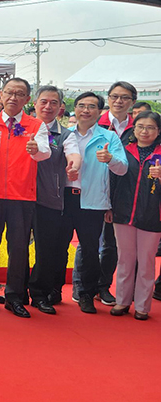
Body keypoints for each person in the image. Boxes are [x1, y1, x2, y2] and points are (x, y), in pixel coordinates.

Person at [0, 77, 50, 318]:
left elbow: (44, 152)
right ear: (1, 94)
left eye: (19, 93)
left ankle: (14, 296)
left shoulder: (36, 125)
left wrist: (36, 150)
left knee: (18, 249)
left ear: (27, 99)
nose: (13, 97)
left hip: (22, 197)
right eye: (9, 92)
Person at [74, 81, 137, 306]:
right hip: (88, 192)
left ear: (133, 102)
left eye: (125, 98)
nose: (119, 101)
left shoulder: (138, 127)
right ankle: (81, 287)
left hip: (123, 192)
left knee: (110, 243)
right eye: (114, 96)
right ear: (107, 101)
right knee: (86, 244)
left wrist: (110, 160)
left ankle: (102, 287)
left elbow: (125, 166)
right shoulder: (91, 123)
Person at [27, 86, 80, 314]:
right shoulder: (22, 128)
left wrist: (74, 166)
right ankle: (15, 291)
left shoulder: (65, 135)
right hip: (17, 196)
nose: (48, 107)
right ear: (35, 104)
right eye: (44, 102)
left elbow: (73, 153)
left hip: (47, 198)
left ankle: (39, 294)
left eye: (53, 103)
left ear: (60, 107)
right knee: (16, 247)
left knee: (47, 249)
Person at [109, 111, 161, 320]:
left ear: (158, 131)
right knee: (125, 259)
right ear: (134, 129)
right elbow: (112, 180)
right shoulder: (123, 150)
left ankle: (142, 306)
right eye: (140, 126)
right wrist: (109, 207)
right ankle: (121, 301)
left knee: (146, 262)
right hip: (123, 212)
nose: (144, 131)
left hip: (152, 215)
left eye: (150, 127)